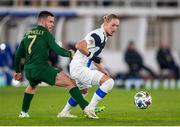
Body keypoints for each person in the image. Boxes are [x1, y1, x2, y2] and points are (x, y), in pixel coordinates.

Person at [13, 11, 97, 119]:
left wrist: (18, 71)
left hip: (29, 70)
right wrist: (70, 53)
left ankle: (23, 113)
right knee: (71, 83)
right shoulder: (46, 34)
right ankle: (86, 108)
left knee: (32, 86)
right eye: (50, 21)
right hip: (41, 68)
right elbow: (57, 49)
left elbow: (18, 54)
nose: (52, 24)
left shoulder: (27, 33)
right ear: (43, 21)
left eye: (53, 22)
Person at [57, 14, 120, 119]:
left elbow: (94, 57)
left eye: (117, 26)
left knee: (82, 92)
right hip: (79, 67)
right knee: (109, 82)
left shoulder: (103, 37)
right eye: (113, 25)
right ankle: (90, 108)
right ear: (106, 23)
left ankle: (64, 112)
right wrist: (92, 56)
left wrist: (103, 69)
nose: (115, 28)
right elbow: (79, 46)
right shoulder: (97, 35)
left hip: (77, 67)